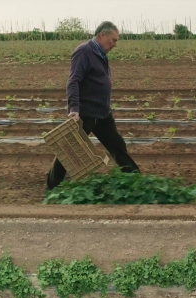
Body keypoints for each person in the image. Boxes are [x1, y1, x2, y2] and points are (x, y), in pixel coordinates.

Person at [46, 21, 140, 190]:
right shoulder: (84, 52)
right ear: (102, 35)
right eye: (113, 40)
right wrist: (74, 109)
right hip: (86, 113)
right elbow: (73, 81)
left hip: (103, 114)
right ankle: (52, 188)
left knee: (117, 146)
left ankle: (136, 180)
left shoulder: (101, 54)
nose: (114, 44)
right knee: (69, 150)